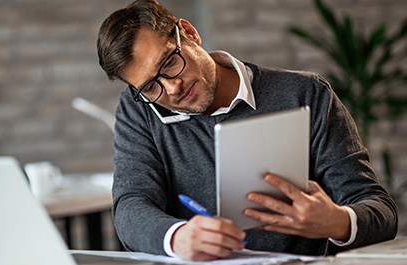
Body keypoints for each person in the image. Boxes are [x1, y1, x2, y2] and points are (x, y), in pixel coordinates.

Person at [96, 0, 397, 261]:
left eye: (170, 62)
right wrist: (176, 238)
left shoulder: (305, 94)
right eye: (150, 86)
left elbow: (380, 211)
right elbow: (130, 206)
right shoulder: (141, 109)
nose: (172, 88)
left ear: (189, 33)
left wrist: (338, 222)